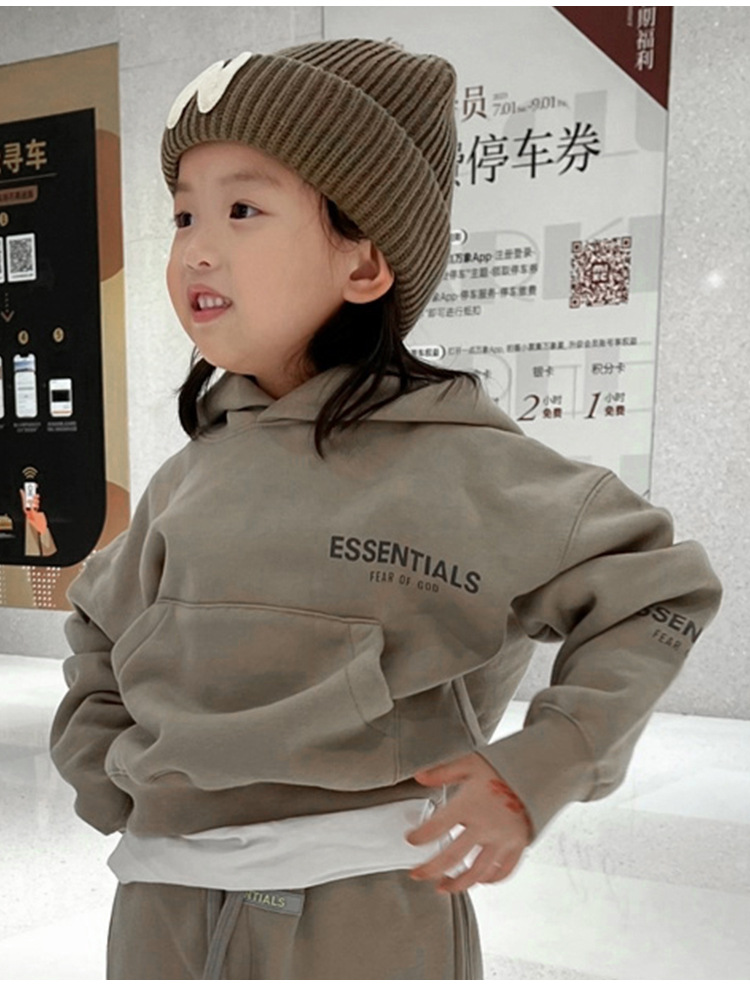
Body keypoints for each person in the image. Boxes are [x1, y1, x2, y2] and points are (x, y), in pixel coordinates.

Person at [50, 39, 721, 980]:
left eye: (243, 210)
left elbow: (655, 590)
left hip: (361, 910)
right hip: (160, 901)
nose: (196, 246)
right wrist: (102, 767)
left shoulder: (460, 464)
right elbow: (100, 624)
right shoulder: (190, 474)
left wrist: (549, 759)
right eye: (184, 213)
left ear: (366, 263)